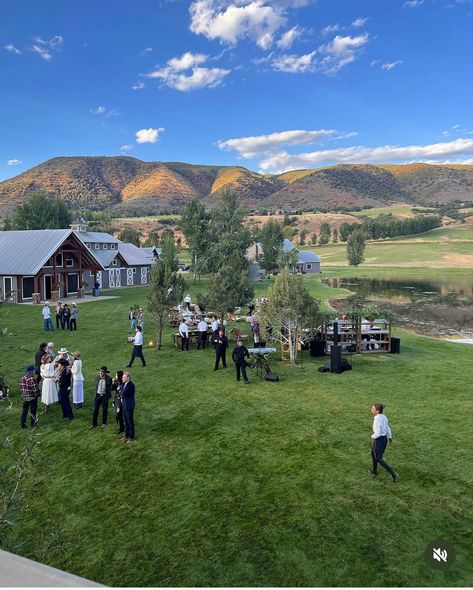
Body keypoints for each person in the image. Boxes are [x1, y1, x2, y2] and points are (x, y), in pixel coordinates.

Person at [369, 403, 399, 483]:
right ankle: (374, 471)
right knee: (373, 454)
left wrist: (373, 437)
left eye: (373, 408)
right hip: (384, 439)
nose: (371, 409)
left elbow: (377, 433)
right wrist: (389, 437)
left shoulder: (377, 420)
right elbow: (387, 427)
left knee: (378, 458)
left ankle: (394, 474)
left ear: (377, 411)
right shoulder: (384, 417)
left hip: (378, 440)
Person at [20, 365, 40, 429]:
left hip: (25, 397)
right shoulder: (32, 379)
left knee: (24, 411)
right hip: (32, 397)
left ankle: (23, 424)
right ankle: (33, 425)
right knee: (33, 411)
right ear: (32, 372)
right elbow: (35, 390)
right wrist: (38, 394)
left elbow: (22, 388)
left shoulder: (23, 378)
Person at [121, 372, 136, 442]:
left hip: (129, 406)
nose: (122, 378)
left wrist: (120, 393)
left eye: (124, 377)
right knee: (125, 421)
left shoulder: (131, 385)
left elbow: (124, 394)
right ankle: (126, 436)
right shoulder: (123, 384)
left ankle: (131, 437)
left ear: (128, 378)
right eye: (122, 377)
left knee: (129, 421)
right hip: (124, 405)